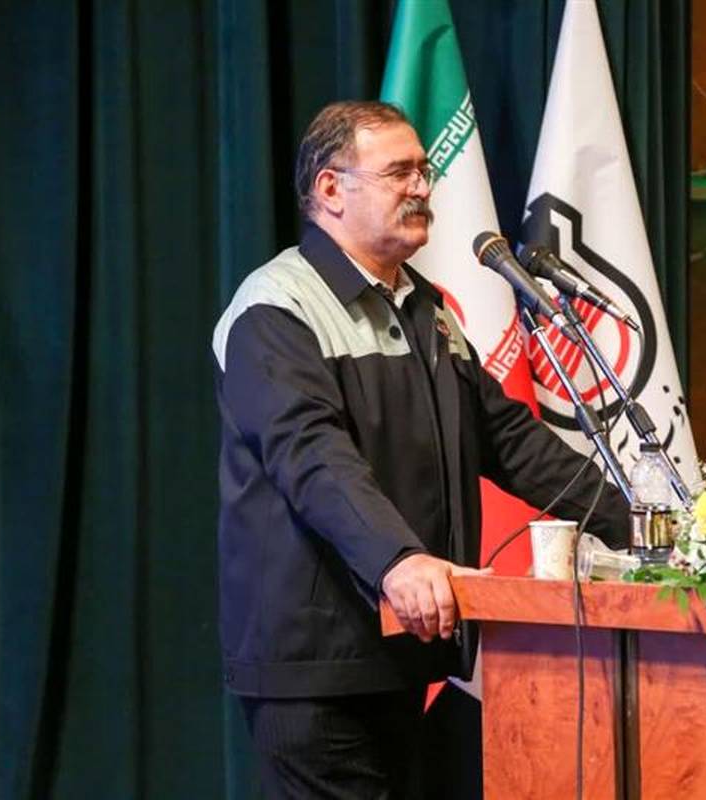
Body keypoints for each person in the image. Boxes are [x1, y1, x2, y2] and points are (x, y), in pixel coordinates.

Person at [211, 100, 629, 799]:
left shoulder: (423, 307)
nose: (421, 188)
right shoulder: (275, 307)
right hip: (315, 663)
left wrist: (642, 524)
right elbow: (311, 456)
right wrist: (398, 560)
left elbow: (513, 443)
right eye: (398, 172)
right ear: (330, 189)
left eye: (424, 171)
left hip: (399, 650)